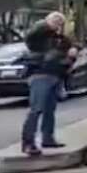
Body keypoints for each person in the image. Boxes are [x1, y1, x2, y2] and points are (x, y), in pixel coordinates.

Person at [21, 12, 75, 156]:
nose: (58, 23)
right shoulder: (38, 38)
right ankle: (28, 143)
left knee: (49, 110)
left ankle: (48, 138)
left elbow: (68, 53)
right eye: (55, 20)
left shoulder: (60, 40)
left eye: (60, 22)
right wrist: (46, 24)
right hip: (40, 74)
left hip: (55, 76)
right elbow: (30, 35)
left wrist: (71, 55)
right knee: (36, 109)